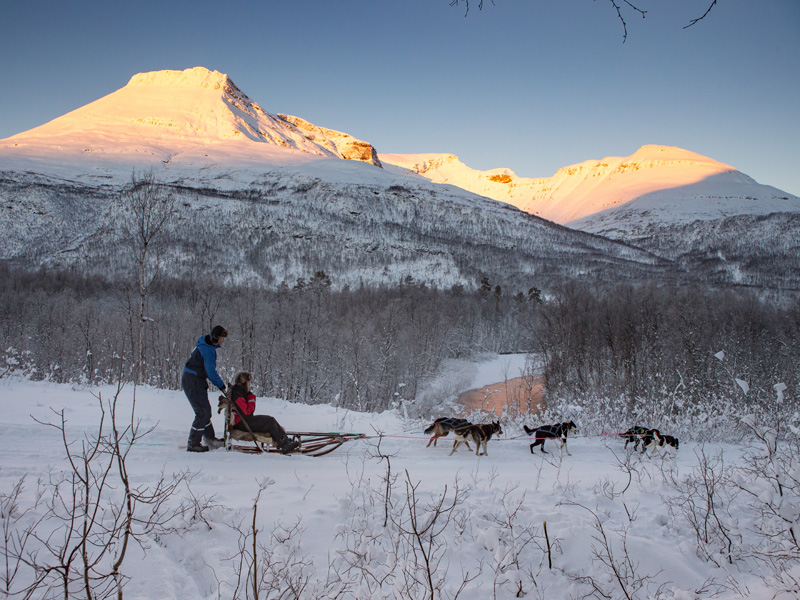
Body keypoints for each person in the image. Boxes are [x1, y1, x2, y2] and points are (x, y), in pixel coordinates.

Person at [182, 325, 229, 452]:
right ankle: (193, 443)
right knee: (202, 412)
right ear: (215, 338)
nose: (223, 341)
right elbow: (211, 372)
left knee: (205, 410)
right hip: (193, 380)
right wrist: (222, 386)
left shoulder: (206, 345)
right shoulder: (208, 350)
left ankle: (210, 439)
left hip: (195, 380)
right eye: (221, 338)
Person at [229, 371, 300, 454]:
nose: (249, 384)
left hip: (243, 420)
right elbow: (248, 412)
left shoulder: (239, 392)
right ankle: (285, 444)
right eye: (248, 382)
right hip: (242, 423)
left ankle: (284, 441)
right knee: (270, 422)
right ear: (244, 383)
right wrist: (251, 398)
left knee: (269, 420)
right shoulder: (238, 394)